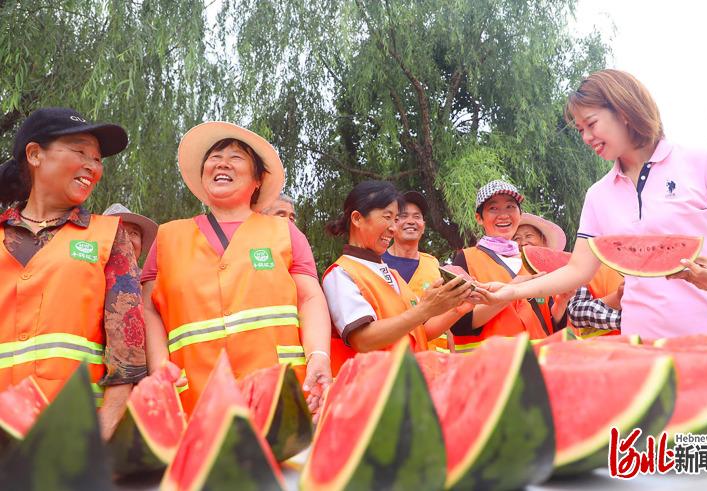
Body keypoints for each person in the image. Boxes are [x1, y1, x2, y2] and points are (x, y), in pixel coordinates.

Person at [483, 69, 707, 339]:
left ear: (624, 111)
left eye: (591, 124)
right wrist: (513, 291)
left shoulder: (702, 161)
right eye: (580, 130)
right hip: (643, 346)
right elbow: (578, 270)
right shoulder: (598, 195)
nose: (586, 137)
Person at [142, 121, 331, 415]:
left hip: (279, 391)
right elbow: (149, 307)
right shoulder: (168, 237)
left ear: (258, 179)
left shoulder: (285, 232)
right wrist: (158, 368)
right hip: (194, 395)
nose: (222, 164)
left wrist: (319, 355)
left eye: (236, 157)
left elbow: (310, 298)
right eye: (214, 157)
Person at [0, 107, 146, 440]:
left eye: (97, 160)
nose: (93, 167)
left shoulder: (109, 236)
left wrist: (105, 430)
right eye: (80, 152)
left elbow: (128, 352)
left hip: (75, 436)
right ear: (35, 154)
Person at [322, 181, 476, 374]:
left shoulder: (390, 273)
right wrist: (424, 309)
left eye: (395, 219)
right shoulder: (341, 273)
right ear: (357, 218)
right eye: (388, 217)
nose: (394, 228)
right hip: (375, 393)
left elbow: (418, 333)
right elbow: (363, 340)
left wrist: (457, 308)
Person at [448, 182, 558, 352]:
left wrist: (563, 301)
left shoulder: (531, 261)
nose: (503, 215)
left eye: (510, 207)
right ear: (479, 218)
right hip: (489, 368)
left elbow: (553, 321)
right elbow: (459, 324)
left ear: (520, 215)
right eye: (493, 208)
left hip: (539, 365)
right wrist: (514, 288)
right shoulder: (466, 259)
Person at [512, 213, 622, 336]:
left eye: (529, 236)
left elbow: (562, 317)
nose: (523, 242)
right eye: (516, 238)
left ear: (544, 240)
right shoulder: (508, 271)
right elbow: (577, 311)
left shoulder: (565, 269)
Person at [381, 191, 452, 351]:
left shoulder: (433, 264)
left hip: (434, 360)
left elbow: (445, 317)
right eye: (403, 216)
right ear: (392, 224)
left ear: (423, 226)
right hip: (392, 359)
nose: (410, 221)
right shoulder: (376, 263)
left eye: (417, 216)